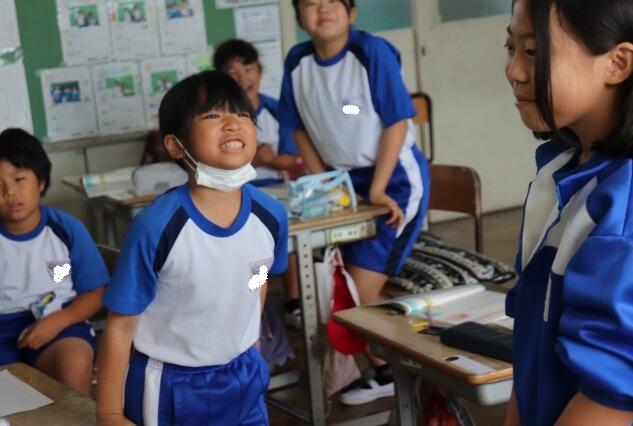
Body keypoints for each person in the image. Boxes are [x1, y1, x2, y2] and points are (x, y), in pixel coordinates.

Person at [96, 71, 288, 425]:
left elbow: (258, 279)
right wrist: (109, 413)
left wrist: (251, 345)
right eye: (213, 115)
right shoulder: (157, 226)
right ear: (175, 145)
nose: (232, 123)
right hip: (172, 385)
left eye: (242, 114)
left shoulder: (271, 214)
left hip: (243, 371)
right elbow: (121, 326)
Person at [279, 0, 430, 405]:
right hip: (345, 183)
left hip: (394, 180)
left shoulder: (372, 52)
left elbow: (396, 121)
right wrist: (326, 184)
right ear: (299, 17)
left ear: (352, 12)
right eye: (311, 3)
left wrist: (377, 190)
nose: (322, 9)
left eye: (333, 1)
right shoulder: (297, 61)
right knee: (343, 289)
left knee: (355, 295)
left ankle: (396, 370)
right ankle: (399, 364)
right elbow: (297, 128)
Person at [504, 1, 633, 425]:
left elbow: (612, 394)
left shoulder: (627, 205)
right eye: (510, 48)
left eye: (533, 51)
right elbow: (529, 337)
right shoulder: (559, 170)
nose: (514, 71)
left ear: (617, 63)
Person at [0, 128, 109, 397]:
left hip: (59, 321)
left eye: (19, 179)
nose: (9, 192)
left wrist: (58, 322)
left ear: (40, 182)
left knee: (74, 362)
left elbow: (96, 293)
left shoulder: (65, 230)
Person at [214, 38, 303, 328]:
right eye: (232, 73)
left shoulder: (278, 110)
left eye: (248, 69)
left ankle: (292, 301)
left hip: (275, 190)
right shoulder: (218, 117)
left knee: (286, 231)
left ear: (260, 71)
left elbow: (290, 158)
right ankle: (250, 307)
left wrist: (270, 160)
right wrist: (254, 158)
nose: (243, 79)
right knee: (250, 247)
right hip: (234, 191)